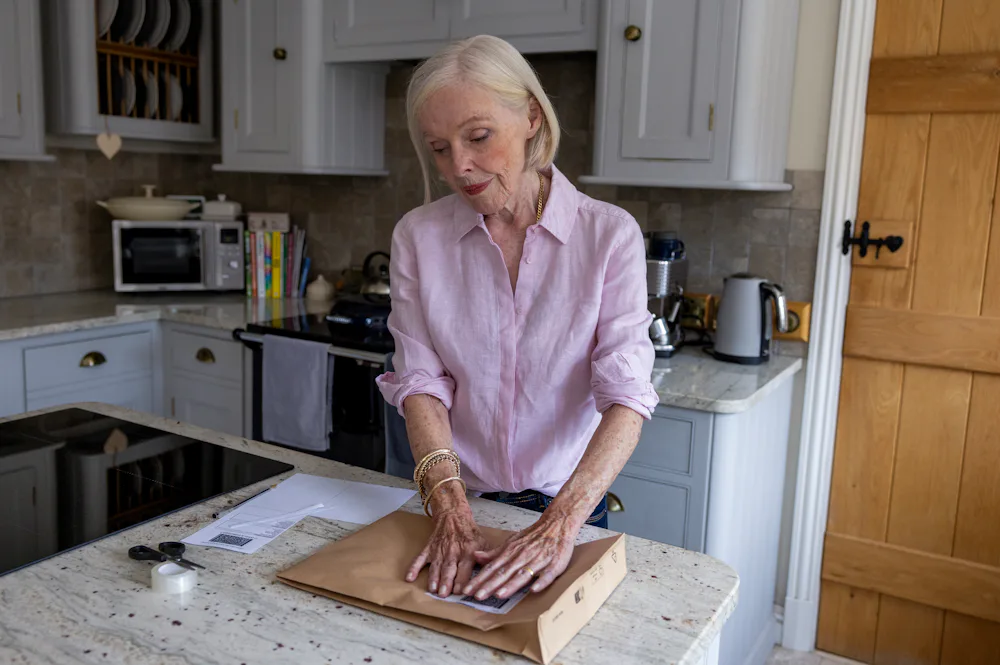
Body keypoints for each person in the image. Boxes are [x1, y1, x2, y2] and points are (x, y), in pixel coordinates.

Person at [375, 35, 658, 605]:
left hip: (569, 507)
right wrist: (450, 505)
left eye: (478, 137)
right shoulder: (417, 237)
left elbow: (626, 394)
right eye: (438, 148)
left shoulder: (608, 235)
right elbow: (421, 382)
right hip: (458, 502)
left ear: (531, 115)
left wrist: (560, 525)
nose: (459, 166)